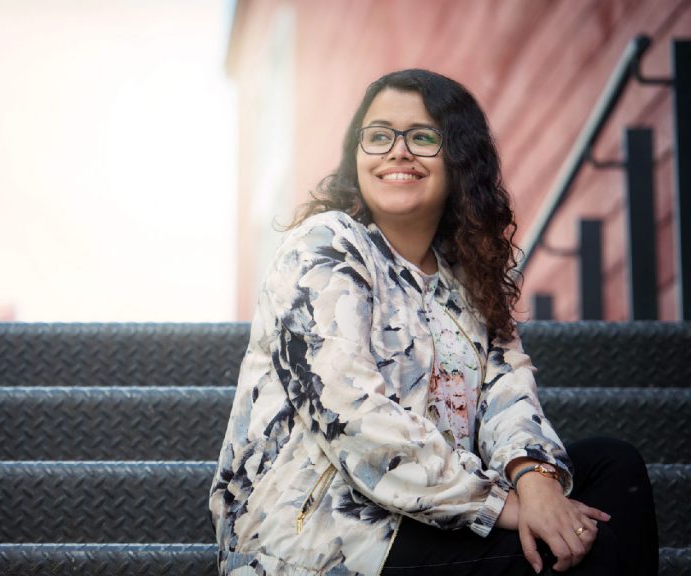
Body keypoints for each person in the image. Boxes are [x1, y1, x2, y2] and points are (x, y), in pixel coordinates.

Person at [209, 69, 657, 575]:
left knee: (613, 465)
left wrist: (534, 479)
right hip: (317, 535)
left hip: (434, 515)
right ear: (357, 156)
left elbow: (507, 397)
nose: (397, 151)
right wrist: (503, 506)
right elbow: (350, 414)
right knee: (574, 553)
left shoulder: (469, 280)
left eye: (422, 137)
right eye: (378, 136)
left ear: (458, 159)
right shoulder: (325, 246)